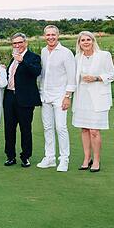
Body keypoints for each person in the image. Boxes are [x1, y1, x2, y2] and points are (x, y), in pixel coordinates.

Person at [72, 31, 114, 173]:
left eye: (88, 39)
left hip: (98, 98)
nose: (85, 42)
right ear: (79, 43)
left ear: (93, 41)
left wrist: (96, 78)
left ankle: (96, 160)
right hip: (81, 97)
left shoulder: (104, 55)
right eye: (82, 40)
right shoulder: (77, 57)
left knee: (94, 131)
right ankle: (87, 158)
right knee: (84, 129)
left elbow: (112, 75)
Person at [37, 25, 77, 172]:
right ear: (44, 36)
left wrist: (68, 96)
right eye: (48, 35)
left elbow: (72, 77)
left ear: (58, 36)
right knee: (47, 128)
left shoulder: (66, 53)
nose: (50, 37)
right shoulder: (43, 51)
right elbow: (42, 74)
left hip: (60, 96)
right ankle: (50, 158)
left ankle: (64, 159)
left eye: (53, 35)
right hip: (45, 95)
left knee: (61, 128)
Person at [3, 32, 42, 168]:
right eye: (14, 43)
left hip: (25, 99)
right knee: (9, 128)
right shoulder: (12, 59)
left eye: (20, 42)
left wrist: (22, 61)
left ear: (25, 43)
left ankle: (25, 156)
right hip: (9, 97)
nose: (17, 45)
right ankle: (10, 156)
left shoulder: (33, 57)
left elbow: (36, 72)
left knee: (25, 129)